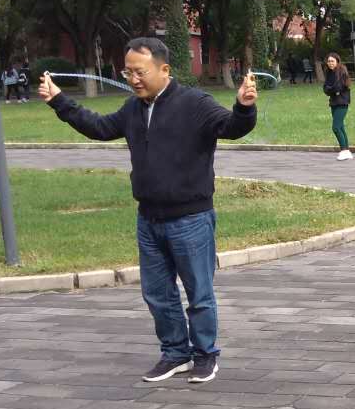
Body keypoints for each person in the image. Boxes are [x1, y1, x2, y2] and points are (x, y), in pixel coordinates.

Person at [39, 37, 258, 385]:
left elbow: (231, 127)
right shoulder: (133, 109)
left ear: (164, 69)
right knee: (157, 294)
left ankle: (205, 355)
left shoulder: (194, 103)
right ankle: (175, 353)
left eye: (139, 72)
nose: (133, 79)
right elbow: (100, 128)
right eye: (128, 73)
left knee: (199, 294)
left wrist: (244, 107)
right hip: (149, 219)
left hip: (191, 219)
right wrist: (59, 101)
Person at [322, 53, 353, 161]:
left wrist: (332, 90)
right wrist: (332, 91)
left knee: (335, 127)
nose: (330, 63)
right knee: (340, 127)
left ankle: (343, 151)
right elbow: (325, 89)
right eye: (329, 61)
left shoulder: (341, 72)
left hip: (342, 102)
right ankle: (347, 151)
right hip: (334, 102)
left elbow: (338, 87)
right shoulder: (329, 73)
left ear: (337, 61)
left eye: (332, 61)